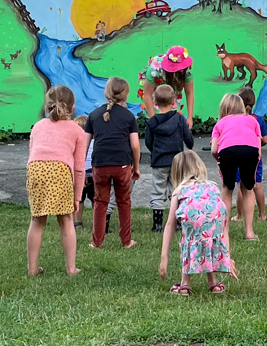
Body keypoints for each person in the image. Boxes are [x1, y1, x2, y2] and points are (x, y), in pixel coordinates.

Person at [26, 86, 86, 276]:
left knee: (37, 220)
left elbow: (32, 152)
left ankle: (32, 269)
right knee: (67, 219)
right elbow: (78, 168)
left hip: (35, 169)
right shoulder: (77, 131)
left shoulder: (37, 126)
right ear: (73, 106)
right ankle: (71, 268)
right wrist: (77, 198)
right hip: (60, 170)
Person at [158, 150, 235, 295]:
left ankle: (185, 284)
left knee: (189, 239)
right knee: (208, 239)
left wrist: (164, 258)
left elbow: (170, 224)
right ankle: (213, 283)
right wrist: (227, 255)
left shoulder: (180, 190)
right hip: (217, 216)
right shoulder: (212, 186)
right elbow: (224, 224)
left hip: (193, 216)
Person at [88, 77, 141, 248]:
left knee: (100, 202)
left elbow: (84, 144)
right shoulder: (129, 117)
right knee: (123, 201)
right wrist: (136, 167)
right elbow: (135, 146)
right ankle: (126, 241)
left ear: (107, 92)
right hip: (122, 164)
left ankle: (97, 242)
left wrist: (82, 167)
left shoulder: (94, 115)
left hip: (100, 164)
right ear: (125, 94)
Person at [210, 93, 262, 242]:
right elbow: (258, 149)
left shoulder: (220, 124)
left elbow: (214, 149)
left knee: (227, 189)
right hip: (250, 151)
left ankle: (224, 233)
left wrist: (220, 160)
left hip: (227, 152)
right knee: (248, 188)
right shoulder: (252, 121)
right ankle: (249, 232)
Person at [145, 84, 194, 233]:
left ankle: (158, 224)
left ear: (155, 102)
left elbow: (148, 142)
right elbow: (189, 140)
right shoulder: (179, 119)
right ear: (174, 101)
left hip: (159, 161)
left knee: (158, 191)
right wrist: (189, 145)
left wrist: (155, 151)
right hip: (177, 161)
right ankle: (178, 222)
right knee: (177, 190)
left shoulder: (152, 122)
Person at [73, 115, 117, 234]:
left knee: (79, 200)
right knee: (96, 200)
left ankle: (78, 223)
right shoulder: (95, 141)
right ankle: (97, 223)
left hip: (80, 174)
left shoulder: (76, 143)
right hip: (94, 173)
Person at [233, 86, 267, 222]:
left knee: (241, 186)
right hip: (255, 157)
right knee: (257, 185)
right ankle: (261, 215)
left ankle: (240, 215)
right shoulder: (258, 120)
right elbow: (265, 139)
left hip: (238, 156)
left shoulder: (235, 120)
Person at [139, 45, 195, 129]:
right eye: (178, 69)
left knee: (171, 115)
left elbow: (189, 93)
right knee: (158, 112)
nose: (181, 71)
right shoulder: (154, 70)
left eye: (182, 68)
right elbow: (147, 95)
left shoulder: (186, 72)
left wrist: (190, 117)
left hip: (172, 87)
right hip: (156, 87)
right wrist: (153, 120)